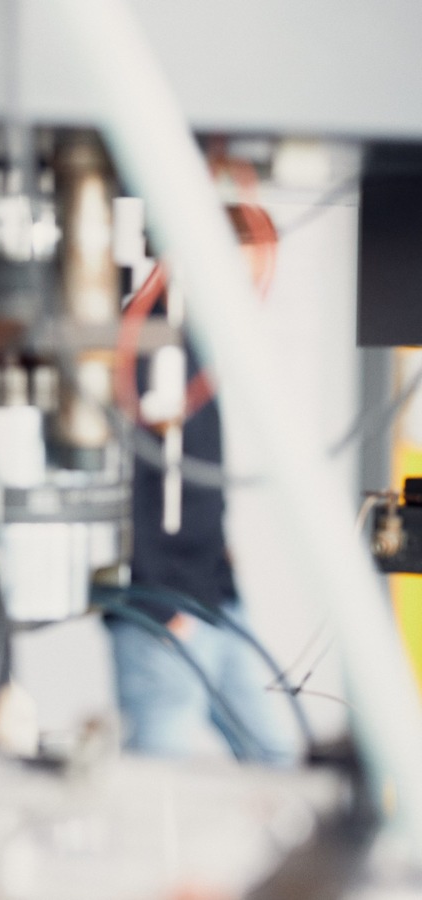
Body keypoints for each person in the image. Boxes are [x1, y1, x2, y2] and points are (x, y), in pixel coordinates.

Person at [106, 205, 297, 767]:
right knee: (161, 776)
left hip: (218, 597)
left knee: (277, 759)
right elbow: (128, 479)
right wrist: (164, 603)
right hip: (167, 611)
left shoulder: (198, 345)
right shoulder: (146, 340)